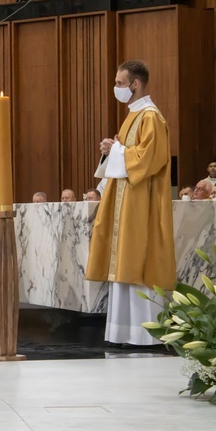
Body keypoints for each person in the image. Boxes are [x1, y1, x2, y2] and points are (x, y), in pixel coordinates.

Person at [87, 60, 175, 346]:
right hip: (127, 204)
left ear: (135, 84)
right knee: (124, 263)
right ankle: (123, 332)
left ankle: (147, 336)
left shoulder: (151, 117)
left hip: (142, 204)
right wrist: (109, 151)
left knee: (140, 262)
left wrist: (117, 151)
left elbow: (150, 158)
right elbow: (125, 153)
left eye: (120, 84)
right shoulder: (134, 115)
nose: (117, 88)